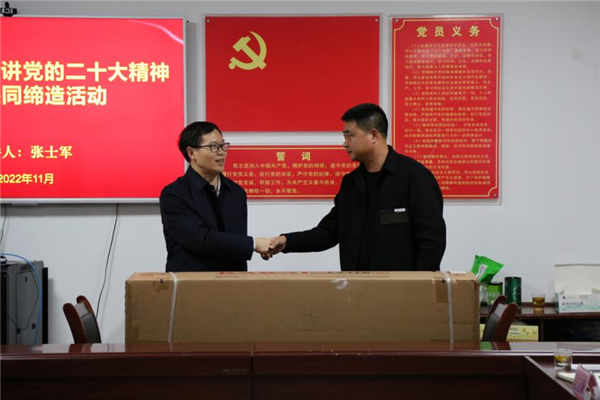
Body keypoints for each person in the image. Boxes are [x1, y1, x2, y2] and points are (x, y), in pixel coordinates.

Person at [268, 103, 446, 271]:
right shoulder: (351, 184)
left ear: (373, 135)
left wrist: (419, 284)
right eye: (344, 137)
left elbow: (432, 239)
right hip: (355, 288)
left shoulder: (415, 177)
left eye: (349, 136)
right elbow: (328, 232)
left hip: (403, 289)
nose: (345, 143)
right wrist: (286, 241)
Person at [160, 121, 270, 272]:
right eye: (213, 146)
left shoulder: (236, 192)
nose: (221, 152)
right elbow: (200, 240)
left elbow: (236, 245)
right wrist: (253, 244)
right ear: (191, 153)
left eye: (223, 145)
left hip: (233, 282)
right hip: (191, 283)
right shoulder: (174, 194)